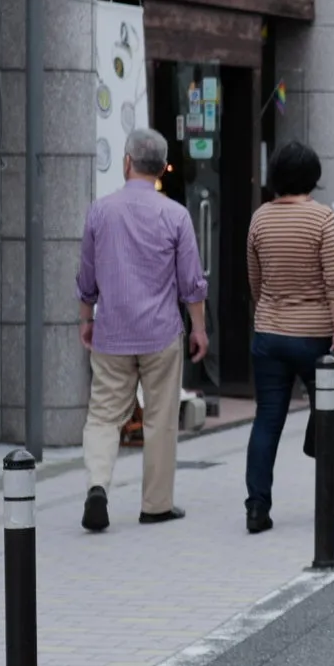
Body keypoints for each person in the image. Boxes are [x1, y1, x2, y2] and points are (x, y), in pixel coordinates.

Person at [75, 128, 207, 532]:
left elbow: (86, 274)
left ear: (127, 162)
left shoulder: (101, 210)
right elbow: (191, 282)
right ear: (162, 168)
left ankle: (98, 484)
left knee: (102, 416)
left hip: (112, 331)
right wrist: (199, 328)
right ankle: (156, 505)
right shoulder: (176, 215)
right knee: (161, 418)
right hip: (160, 333)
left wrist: (86, 318)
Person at [242, 141, 334, 535]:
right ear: (313, 177)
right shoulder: (322, 219)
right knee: (332, 412)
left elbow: (255, 280)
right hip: (314, 336)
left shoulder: (260, 218)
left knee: (267, 420)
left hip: (269, 333)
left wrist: (272, 311)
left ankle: (257, 507)